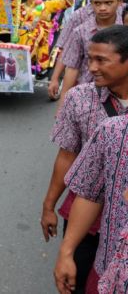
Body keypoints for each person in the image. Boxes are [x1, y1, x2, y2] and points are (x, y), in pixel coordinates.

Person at [44, 26, 128, 294]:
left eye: (101, 60)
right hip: (86, 215)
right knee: (80, 280)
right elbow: (67, 155)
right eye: (89, 59)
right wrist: (49, 206)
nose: (91, 67)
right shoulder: (79, 99)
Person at [48, 0, 119, 99]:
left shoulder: (124, 13)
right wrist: (55, 78)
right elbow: (66, 50)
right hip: (86, 89)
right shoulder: (79, 17)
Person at [58, 0, 124, 109]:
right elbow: (72, 67)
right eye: (97, 3)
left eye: (108, 3)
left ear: (119, 2)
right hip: (88, 97)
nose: (102, 8)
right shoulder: (80, 32)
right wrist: (62, 105)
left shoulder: (125, 28)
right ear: (91, 3)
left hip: (121, 96)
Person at [17, 0, 74, 75]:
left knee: (36, 31)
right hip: (22, 36)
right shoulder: (19, 8)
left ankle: (31, 64)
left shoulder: (46, 5)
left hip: (42, 37)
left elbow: (67, 3)